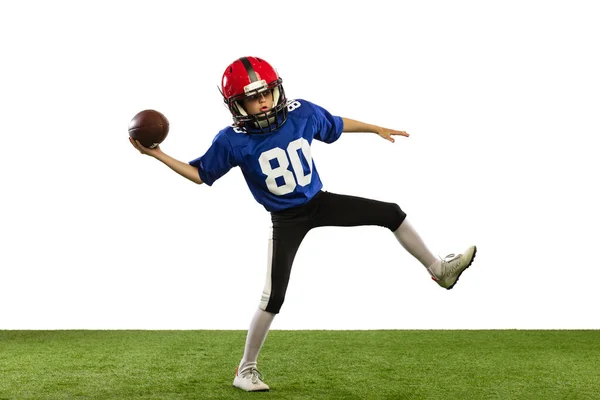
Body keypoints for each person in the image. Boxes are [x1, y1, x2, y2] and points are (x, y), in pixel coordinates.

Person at [129, 56, 477, 392]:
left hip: (318, 202)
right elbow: (200, 175)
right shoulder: (230, 140)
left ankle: (440, 270)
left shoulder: (302, 112)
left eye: (266, 93)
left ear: (277, 90)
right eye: (252, 98)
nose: (263, 102)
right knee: (273, 297)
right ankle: (245, 369)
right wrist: (156, 154)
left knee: (391, 213)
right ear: (237, 105)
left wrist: (374, 128)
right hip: (286, 219)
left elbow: (336, 122)